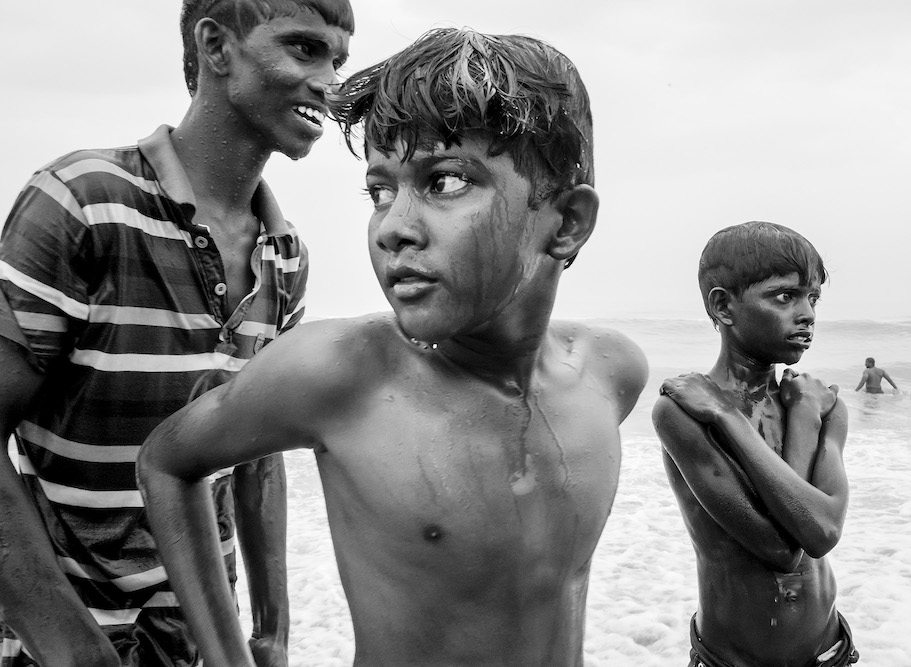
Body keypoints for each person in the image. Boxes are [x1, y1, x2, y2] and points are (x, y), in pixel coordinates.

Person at [137, 27, 649, 666]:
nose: (394, 228)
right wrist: (245, 646)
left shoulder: (609, 374)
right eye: (380, 191)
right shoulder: (342, 376)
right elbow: (168, 461)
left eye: (446, 182)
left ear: (567, 222)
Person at [0, 1, 354, 664]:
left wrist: (271, 631)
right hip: (60, 640)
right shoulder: (83, 203)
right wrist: (73, 646)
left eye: (339, 58)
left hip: (197, 643)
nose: (330, 81)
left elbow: (256, 449)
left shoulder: (286, 255)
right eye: (305, 49)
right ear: (216, 47)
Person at [653, 221, 859, 667]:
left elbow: (821, 530)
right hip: (732, 659)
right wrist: (728, 413)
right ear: (724, 305)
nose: (807, 313)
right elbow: (781, 551)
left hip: (830, 651)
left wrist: (748, 418)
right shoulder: (682, 412)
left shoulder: (819, 405)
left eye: (813, 297)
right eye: (785, 296)